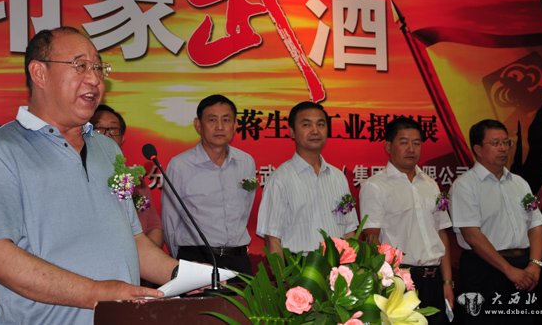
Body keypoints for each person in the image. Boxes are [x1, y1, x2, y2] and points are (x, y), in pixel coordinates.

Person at [0, 27, 178, 325]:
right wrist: (96, 293)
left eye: (98, 68)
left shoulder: (107, 150)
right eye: (80, 66)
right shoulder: (0, 152)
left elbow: (133, 241)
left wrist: (183, 275)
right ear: (39, 73)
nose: (95, 79)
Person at [450, 119, 542, 325]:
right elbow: (472, 235)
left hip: (524, 269)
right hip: (485, 270)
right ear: (478, 149)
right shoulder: (465, 185)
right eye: (495, 143)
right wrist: (508, 270)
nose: (503, 148)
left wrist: (535, 265)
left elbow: (535, 225)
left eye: (506, 142)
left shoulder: (520, 183)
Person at [359, 117, 453, 325]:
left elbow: (441, 233)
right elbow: (371, 238)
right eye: (404, 142)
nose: (411, 149)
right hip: (401, 281)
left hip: (435, 279)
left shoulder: (430, 184)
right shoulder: (375, 186)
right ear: (388, 147)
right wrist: (388, 283)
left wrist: (447, 281)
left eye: (416, 143)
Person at [161, 94, 256, 275]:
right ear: (198, 125)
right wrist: (181, 262)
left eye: (226, 120)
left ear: (235, 124)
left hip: (238, 259)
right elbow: (170, 220)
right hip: (197, 258)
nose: (220, 127)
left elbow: (245, 209)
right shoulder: (180, 165)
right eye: (212, 120)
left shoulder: (246, 162)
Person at [257, 101, 359, 255]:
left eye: (321, 124)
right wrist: (281, 271)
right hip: (299, 265)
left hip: (338, 266)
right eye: (306, 125)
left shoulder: (338, 177)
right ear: (292, 132)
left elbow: (349, 231)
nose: (315, 131)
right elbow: (272, 239)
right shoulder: (280, 179)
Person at [91, 104, 165, 248]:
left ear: (122, 139)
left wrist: (144, 257)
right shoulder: (82, 177)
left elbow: (154, 226)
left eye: (113, 129)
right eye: (98, 128)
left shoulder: (134, 180)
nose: (107, 134)